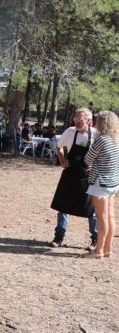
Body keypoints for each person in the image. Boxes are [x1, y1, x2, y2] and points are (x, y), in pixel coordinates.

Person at [49, 107, 98, 249]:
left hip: (87, 176)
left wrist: (94, 165)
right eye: (75, 119)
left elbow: (103, 153)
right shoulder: (70, 132)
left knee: (91, 208)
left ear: (89, 121)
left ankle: (95, 239)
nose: (76, 122)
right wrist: (62, 160)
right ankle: (59, 237)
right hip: (70, 174)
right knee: (63, 206)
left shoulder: (96, 134)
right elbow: (58, 147)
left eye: (80, 120)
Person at [81, 111, 119, 259]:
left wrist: (94, 162)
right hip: (113, 182)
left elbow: (87, 159)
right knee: (111, 217)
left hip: (101, 182)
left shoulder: (102, 139)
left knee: (101, 218)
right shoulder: (116, 139)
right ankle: (108, 249)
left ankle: (98, 251)